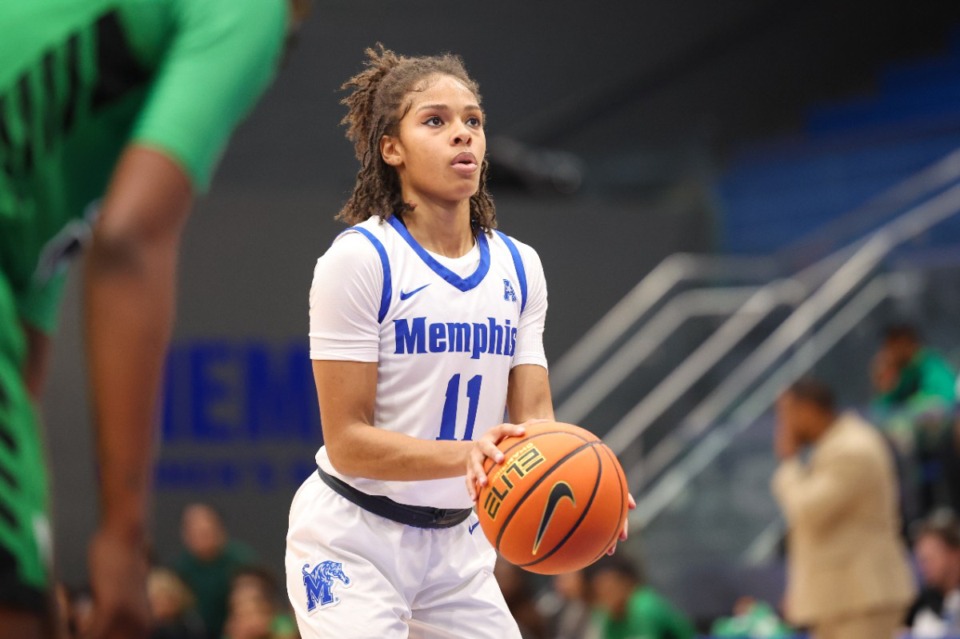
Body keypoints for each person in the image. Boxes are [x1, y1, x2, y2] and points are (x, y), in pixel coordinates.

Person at [284, 45, 632, 638]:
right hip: (353, 538)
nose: (462, 135)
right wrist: (469, 455)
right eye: (436, 121)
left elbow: (533, 424)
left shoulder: (520, 267)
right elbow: (347, 442)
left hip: (458, 547)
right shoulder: (360, 260)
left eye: (473, 120)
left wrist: (580, 486)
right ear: (390, 148)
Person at [0, 0, 311, 637]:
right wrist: (122, 540)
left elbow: (25, 364)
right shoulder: (252, 11)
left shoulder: (54, 175)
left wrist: (36, 549)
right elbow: (129, 241)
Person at [771, 378, 915, 639]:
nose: (782, 427)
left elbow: (808, 511)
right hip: (842, 599)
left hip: (863, 599)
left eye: (786, 415)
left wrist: (789, 464)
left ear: (808, 410)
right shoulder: (835, 446)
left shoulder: (852, 448)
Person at [872, 324, 958, 516]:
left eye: (891, 347)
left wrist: (910, 414)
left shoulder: (931, 366)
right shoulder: (901, 376)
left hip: (943, 449)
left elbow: (945, 401)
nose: (888, 353)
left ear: (905, 343)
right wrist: (884, 386)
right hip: (914, 458)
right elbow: (882, 413)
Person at [172, 504, 257, 639]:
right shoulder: (180, 569)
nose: (201, 538)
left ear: (220, 530)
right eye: (194, 532)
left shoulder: (241, 562)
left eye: (205, 532)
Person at [586, 554, 695, 639]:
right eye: (600, 591)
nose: (606, 595)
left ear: (626, 582)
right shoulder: (605, 615)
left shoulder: (644, 606)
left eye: (610, 589)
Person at [906, 509, 960, 637]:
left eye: (931, 558)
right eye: (921, 559)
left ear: (955, 554)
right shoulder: (922, 606)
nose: (924, 566)